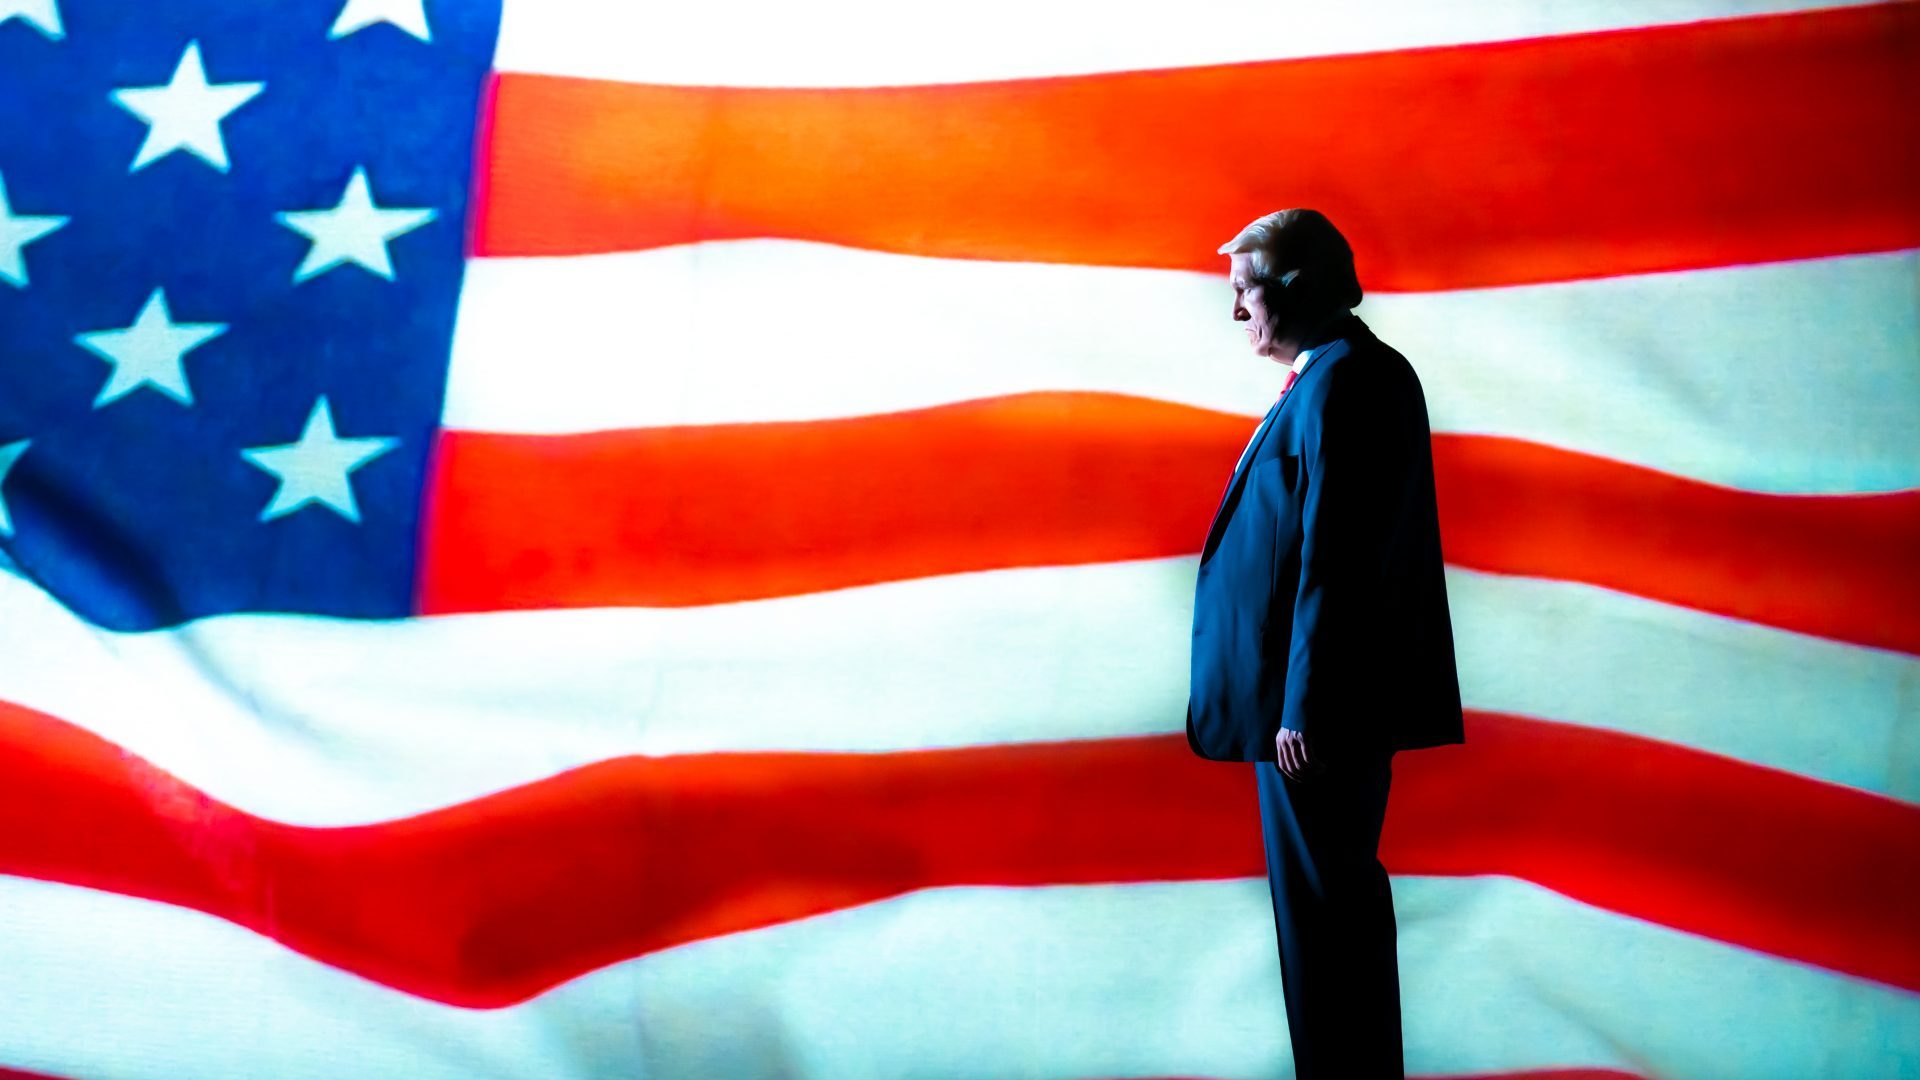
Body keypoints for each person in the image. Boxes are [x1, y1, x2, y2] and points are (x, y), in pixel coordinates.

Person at [1184, 208, 1465, 1079]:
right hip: (1307, 707)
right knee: (1325, 920)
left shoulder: (1347, 381)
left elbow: (1335, 557)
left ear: (1297, 286)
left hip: (1314, 715)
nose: (1237, 314)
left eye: (1245, 292)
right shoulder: (1335, 378)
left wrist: (1304, 702)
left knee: (1325, 923)